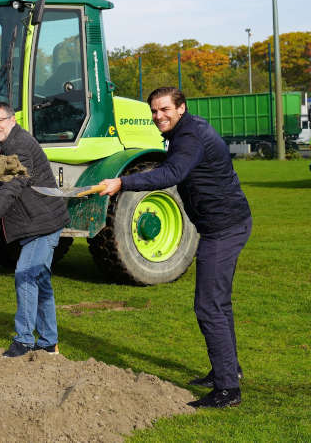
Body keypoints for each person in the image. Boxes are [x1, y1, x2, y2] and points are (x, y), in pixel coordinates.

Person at [97, 87, 251, 409]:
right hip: (222, 225)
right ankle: (228, 371)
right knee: (219, 304)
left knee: (208, 306)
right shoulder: (186, 131)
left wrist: (122, 183)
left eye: (164, 109)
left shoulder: (190, 136)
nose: (158, 116)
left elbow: (172, 173)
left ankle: (227, 391)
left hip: (224, 229)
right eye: (154, 111)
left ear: (181, 108)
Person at [0, 101, 69, 357]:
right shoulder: (6, 144)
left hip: (43, 222)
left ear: (12, 119)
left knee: (25, 275)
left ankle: (25, 340)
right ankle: (49, 341)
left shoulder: (20, 145)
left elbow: (13, 187)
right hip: (34, 222)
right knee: (40, 280)